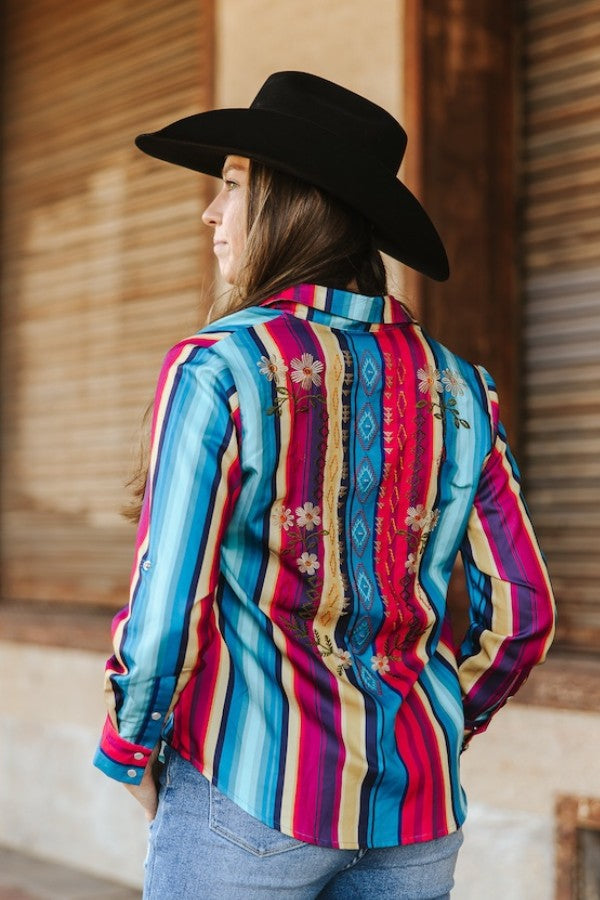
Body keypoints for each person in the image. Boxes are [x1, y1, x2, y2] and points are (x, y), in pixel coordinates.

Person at [93, 71, 555, 899]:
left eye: (230, 187)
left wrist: (130, 748)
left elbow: (168, 610)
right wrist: (442, 725)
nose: (210, 213)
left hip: (246, 794)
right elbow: (524, 615)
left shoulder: (218, 368)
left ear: (288, 203)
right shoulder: (463, 390)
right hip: (416, 815)